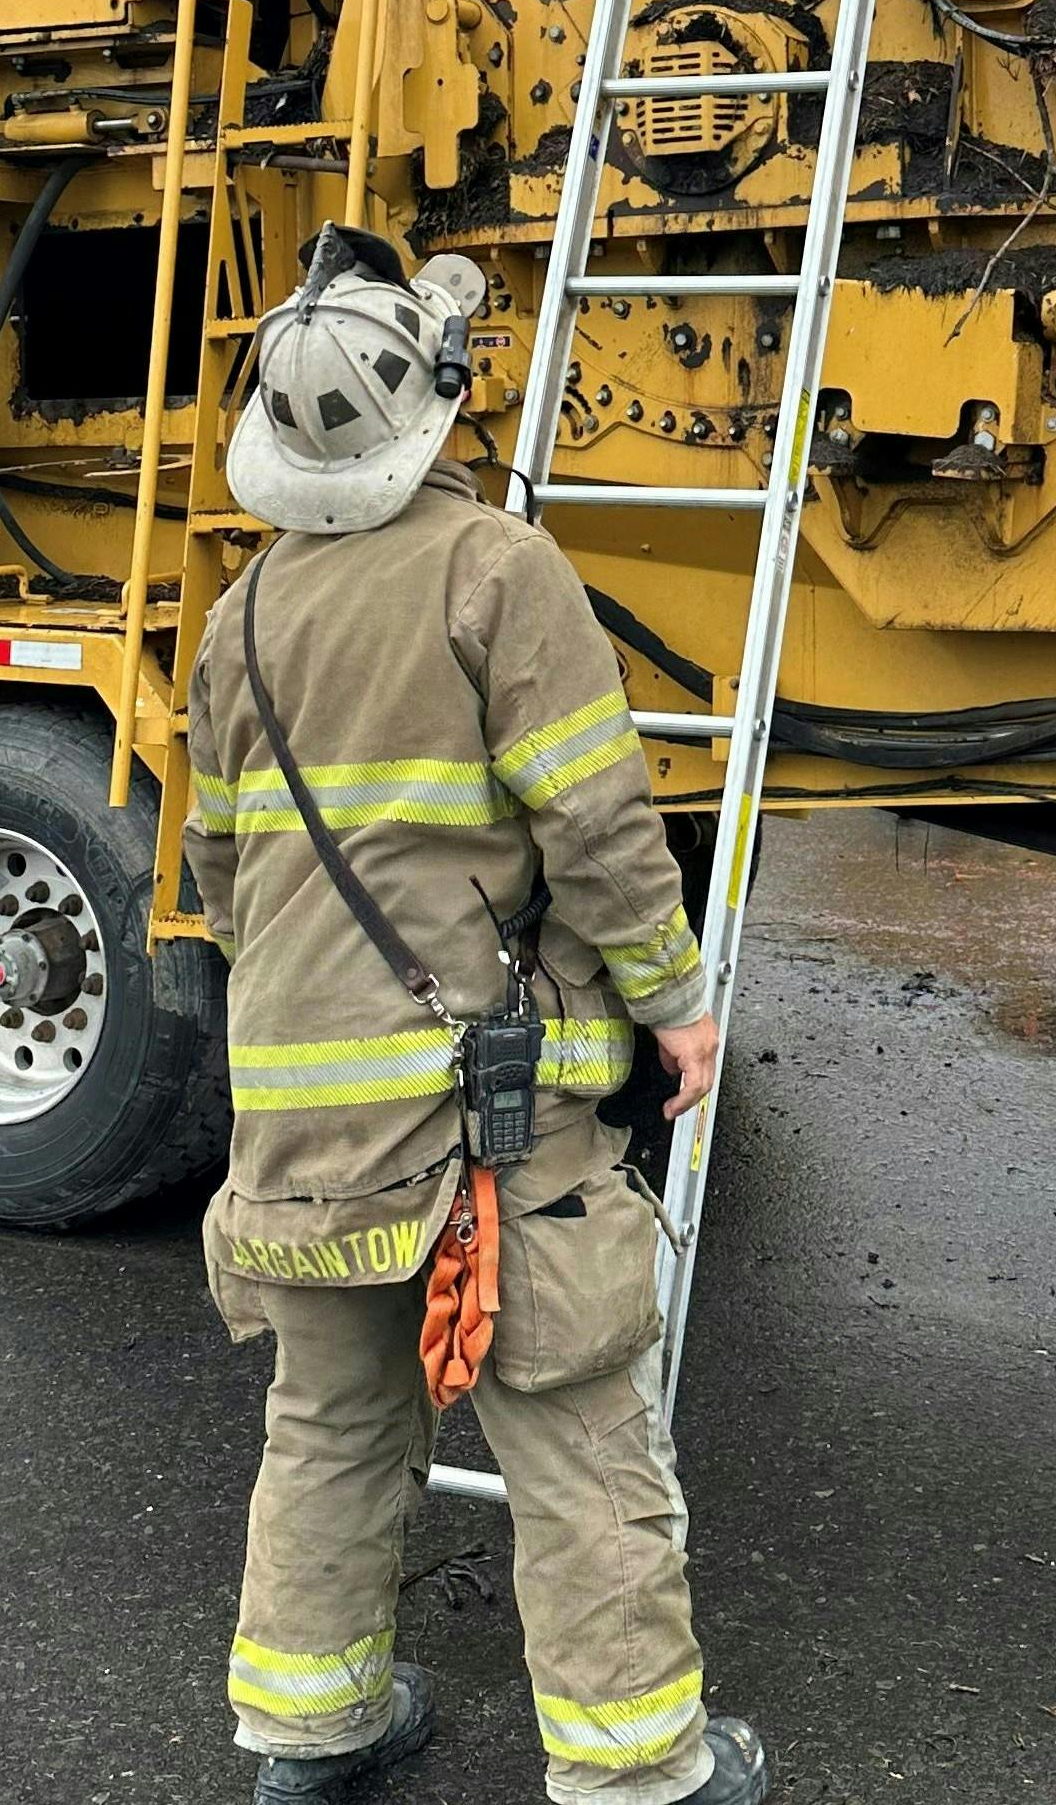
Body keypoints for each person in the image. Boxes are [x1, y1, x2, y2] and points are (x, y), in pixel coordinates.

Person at [183, 223, 765, 1805]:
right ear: (439, 409)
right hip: (485, 1115)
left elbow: (222, 877)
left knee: (327, 1420)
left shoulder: (235, 623)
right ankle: (641, 1769)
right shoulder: (500, 570)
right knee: (576, 1423)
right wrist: (680, 1005)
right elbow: (594, 830)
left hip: (296, 1118)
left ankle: (306, 1735)